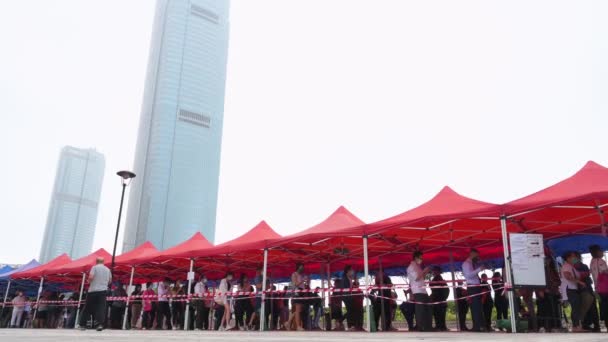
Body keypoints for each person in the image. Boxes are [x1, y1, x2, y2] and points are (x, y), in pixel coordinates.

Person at [574, 252, 600, 331]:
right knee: (587, 308)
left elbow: (585, 275)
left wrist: (577, 275)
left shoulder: (582, 266)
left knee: (590, 307)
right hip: (582, 290)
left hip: (586, 289)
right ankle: (588, 325)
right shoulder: (574, 266)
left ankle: (595, 325)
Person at [407, 251, 432, 331]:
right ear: (416, 258)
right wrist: (424, 271)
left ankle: (428, 327)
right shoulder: (411, 267)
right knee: (420, 310)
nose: (422, 259)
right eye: (420, 258)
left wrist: (425, 272)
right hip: (417, 291)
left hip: (423, 290)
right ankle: (420, 327)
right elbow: (416, 278)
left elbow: (421, 277)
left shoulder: (418, 266)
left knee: (427, 309)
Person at [561, 251, 586, 332]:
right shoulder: (566, 266)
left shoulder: (572, 266)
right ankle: (576, 326)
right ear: (568, 258)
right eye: (573, 256)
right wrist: (580, 282)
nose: (575, 258)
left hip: (573, 288)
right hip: (569, 289)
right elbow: (567, 276)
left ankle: (577, 325)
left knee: (576, 307)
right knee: (575, 307)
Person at [462, 249, 485, 332]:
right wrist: (479, 269)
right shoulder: (466, 264)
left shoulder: (472, 264)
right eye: (476, 256)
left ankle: (481, 325)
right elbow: (468, 275)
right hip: (472, 287)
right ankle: (477, 326)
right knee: (475, 307)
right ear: (472, 254)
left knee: (478, 307)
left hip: (476, 287)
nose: (477, 257)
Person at [589, 244, 608, 330]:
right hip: (605, 287)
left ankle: (606, 324)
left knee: (603, 306)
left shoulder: (592, 262)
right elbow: (605, 272)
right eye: (601, 250)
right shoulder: (601, 261)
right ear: (597, 252)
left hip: (598, 288)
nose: (602, 252)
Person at [430, 266, 449, 331]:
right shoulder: (442, 280)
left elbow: (434, 289)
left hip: (437, 299)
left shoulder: (437, 280)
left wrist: (433, 297)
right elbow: (447, 290)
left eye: (434, 270)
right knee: (441, 315)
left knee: (437, 314)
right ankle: (443, 327)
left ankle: (439, 327)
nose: (433, 272)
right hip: (442, 299)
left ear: (437, 271)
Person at [290, 263, 307, 331]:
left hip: (301, 292)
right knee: (297, 310)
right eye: (301, 267)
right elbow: (295, 284)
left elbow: (302, 285)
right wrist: (303, 280)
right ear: (298, 267)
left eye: (303, 267)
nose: (302, 268)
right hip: (297, 291)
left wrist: (306, 281)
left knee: (299, 310)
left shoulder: (300, 275)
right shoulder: (294, 274)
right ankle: (297, 326)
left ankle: (288, 322)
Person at [340, 265, 356, 330]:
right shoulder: (344, 278)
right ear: (348, 271)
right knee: (350, 310)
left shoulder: (349, 278)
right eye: (351, 270)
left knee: (351, 310)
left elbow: (351, 287)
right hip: (346, 296)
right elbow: (345, 288)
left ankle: (350, 324)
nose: (352, 271)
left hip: (350, 296)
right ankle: (349, 325)